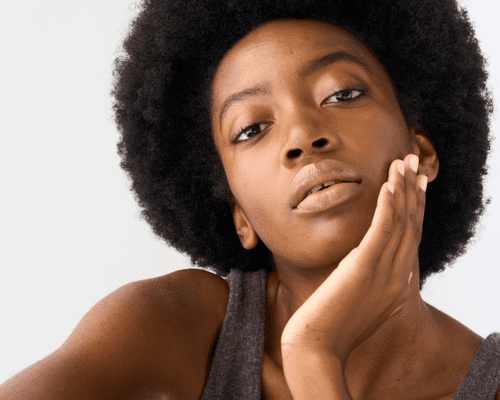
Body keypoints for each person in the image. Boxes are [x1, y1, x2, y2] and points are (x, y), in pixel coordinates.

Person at [1, 0, 499, 398]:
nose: (303, 135)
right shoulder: (176, 329)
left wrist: (315, 355)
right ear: (241, 216)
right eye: (253, 129)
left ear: (422, 153)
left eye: (341, 94)